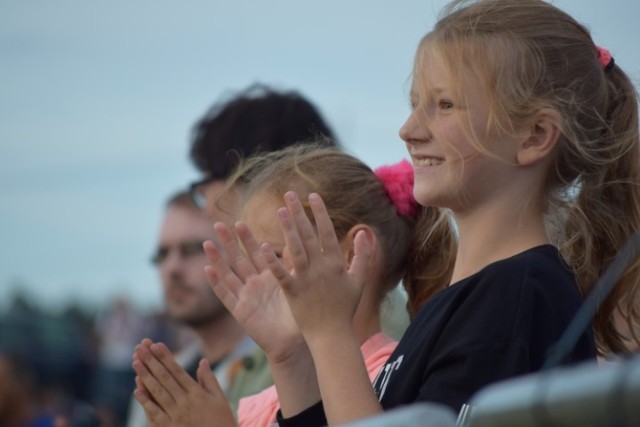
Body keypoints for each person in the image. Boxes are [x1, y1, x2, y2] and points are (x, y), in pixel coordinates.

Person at [207, 0, 638, 425]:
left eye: (445, 104)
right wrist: (290, 358)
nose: (409, 130)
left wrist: (330, 333)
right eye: (416, 103)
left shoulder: (518, 294)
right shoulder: (475, 297)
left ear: (535, 136)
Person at [130, 144, 453, 426]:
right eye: (254, 261)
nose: (258, 282)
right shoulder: (269, 400)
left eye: (276, 256)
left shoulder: (393, 374)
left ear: (352, 253)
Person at [125, 191, 258, 427]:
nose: (172, 268)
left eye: (192, 249)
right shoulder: (159, 380)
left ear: (239, 251)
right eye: (163, 254)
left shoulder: (285, 370)